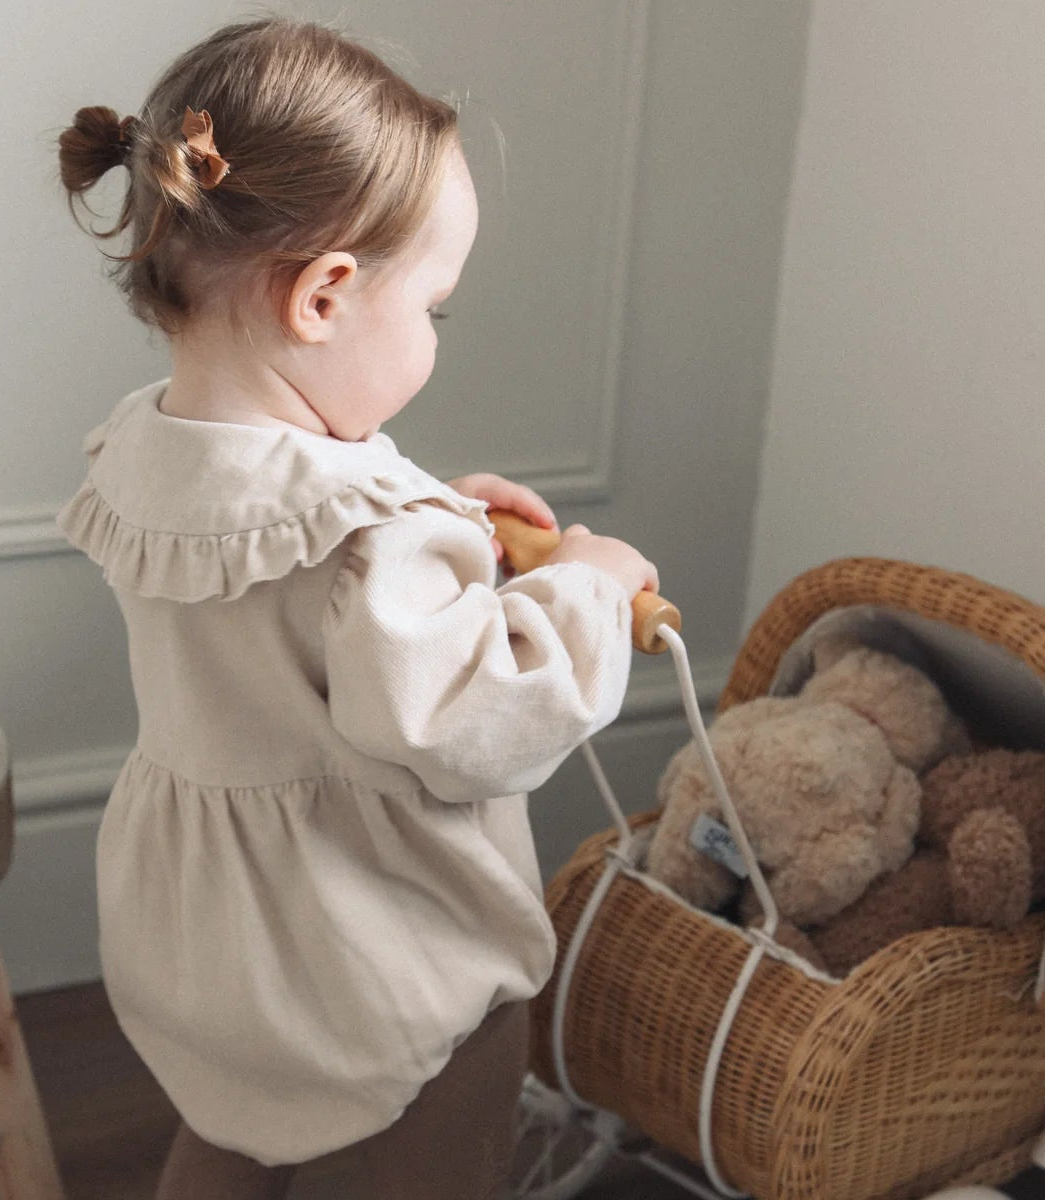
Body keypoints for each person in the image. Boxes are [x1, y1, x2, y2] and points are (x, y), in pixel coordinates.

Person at [55, 17, 658, 1200]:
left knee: (230, 1133)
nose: (433, 335)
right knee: (429, 1153)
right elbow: (474, 722)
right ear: (325, 297)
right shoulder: (372, 535)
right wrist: (585, 580)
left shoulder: (138, 449)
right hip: (373, 959)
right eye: (433, 308)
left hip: (211, 949)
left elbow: (294, 579)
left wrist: (441, 520)